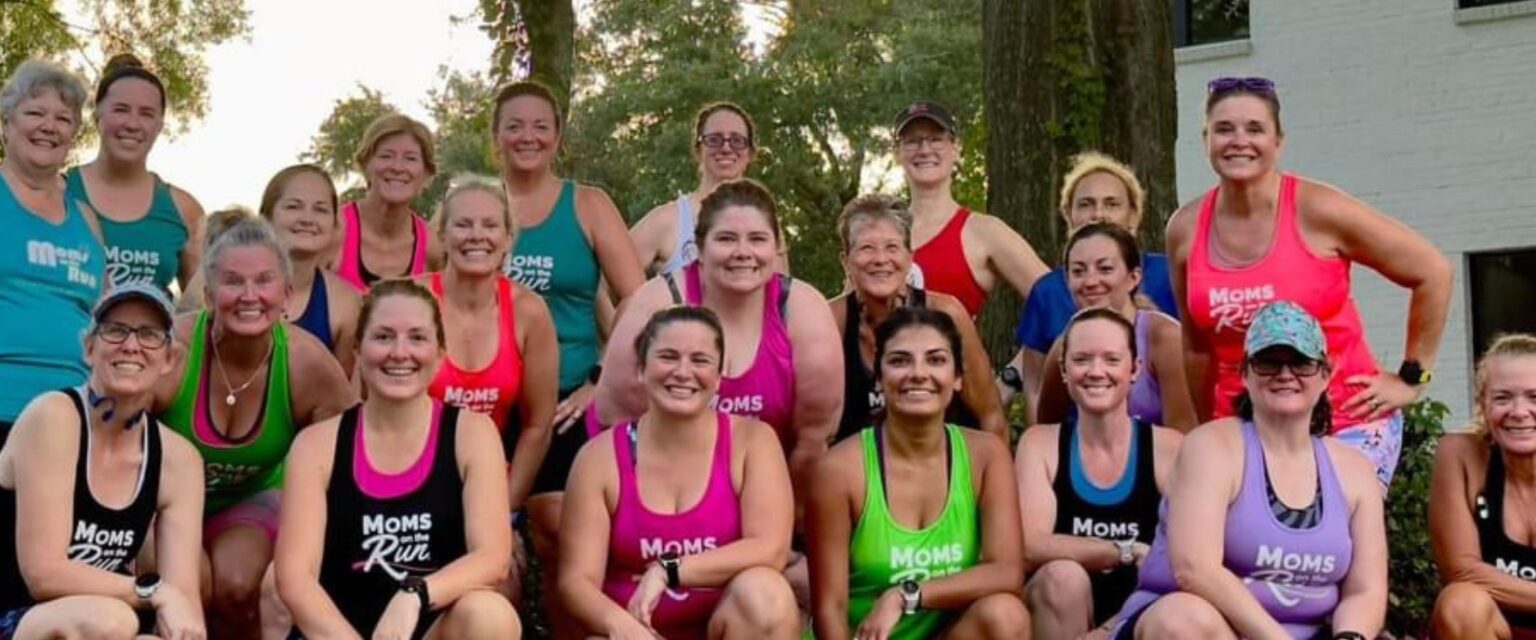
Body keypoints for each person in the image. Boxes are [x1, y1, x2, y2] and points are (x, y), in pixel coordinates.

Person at [1168, 76, 1453, 487]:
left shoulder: (1320, 210)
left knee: (1330, 524)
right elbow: (1196, 346)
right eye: (1224, 129)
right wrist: (1207, 425)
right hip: (1245, 424)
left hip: (1345, 421)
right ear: (1206, 139)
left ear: (1278, 142)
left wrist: (1411, 379)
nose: (1239, 141)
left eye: (1255, 129)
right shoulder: (1185, 229)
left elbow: (1433, 272)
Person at [1111, 301, 1386, 639]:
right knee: (1180, 620)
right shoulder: (1212, 447)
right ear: (1245, 373)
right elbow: (1194, 568)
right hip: (1209, 628)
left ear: (1325, 374)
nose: (1285, 374)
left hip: (1308, 632)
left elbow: (1366, 590)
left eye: (1301, 363)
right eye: (1268, 362)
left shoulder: (1355, 469)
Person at [276, 279, 520, 639]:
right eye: (383, 337)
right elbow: (295, 579)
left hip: (428, 626)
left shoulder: (471, 434)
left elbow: (493, 558)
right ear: (358, 351)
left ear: (440, 354)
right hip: (337, 632)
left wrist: (414, 594)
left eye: (417, 338)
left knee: (489, 615)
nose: (400, 352)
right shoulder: (316, 445)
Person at [153, 213, 357, 640]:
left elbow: (348, 463)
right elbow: (111, 437)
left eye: (264, 281)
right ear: (209, 296)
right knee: (188, 583)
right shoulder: (172, 352)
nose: (250, 296)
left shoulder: (306, 363)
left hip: (252, 496)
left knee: (236, 584)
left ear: (287, 295)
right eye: (233, 281)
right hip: (161, 500)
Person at [494, 80, 647, 637]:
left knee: (558, 530)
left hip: (567, 398)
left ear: (558, 136)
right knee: (489, 546)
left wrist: (600, 380)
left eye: (541, 126)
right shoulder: (477, 206)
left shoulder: (587, 204)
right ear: (496, 136)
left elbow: (638, 297)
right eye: (515, 125)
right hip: (491, 399)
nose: (528, 136)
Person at [559, 306, 798, 639]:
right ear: (641, 369)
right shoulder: (599, 458)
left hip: (724, 627)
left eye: (700, 360)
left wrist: (668, 570)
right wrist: (624, 628)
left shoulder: (752, 441)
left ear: (719, 377)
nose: (683, 372)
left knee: (767, 595)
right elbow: (576, 581)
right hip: (636, 630)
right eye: (668, 357)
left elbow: (770, 549)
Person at [808, 307, 1029, 640]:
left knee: (1005, 614)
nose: (918, 373)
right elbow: (829, 607)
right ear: (879, 378)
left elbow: (1007, 572)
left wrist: (905, 595)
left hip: (947, 634)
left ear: (957, 378)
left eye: (936, 360)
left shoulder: (986, 455)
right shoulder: (839, 470)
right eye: (900, 361)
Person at [0, 285, 206, 639]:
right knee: (112, 620)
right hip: (15, 615)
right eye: (115, 330)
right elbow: (44, 574)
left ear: (169, 359)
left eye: (149, 334)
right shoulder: (53, 417)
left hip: (100, 621)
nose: (131, 345)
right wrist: (154, 591)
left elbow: (183, 601)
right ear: (89, 348)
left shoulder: (179, 460)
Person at [1017, 308, 1183, 638]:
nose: (1096, 371)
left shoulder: (1169, 448)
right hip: (1060, 609)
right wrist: (1124, 551)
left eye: (1111, 359)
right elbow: (1031, 546)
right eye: (1082, 359)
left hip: (1140, 610)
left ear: (1134, 369)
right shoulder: (1041, 445)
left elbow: (1182, 561)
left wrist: (1109, 630)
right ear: (1063, 370)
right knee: (1062, 577)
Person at [420, 176, 558, 542]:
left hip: (487, 480)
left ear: (508, 238)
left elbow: (538, 425)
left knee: (501, 571)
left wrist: (504, 514)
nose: (476, 236)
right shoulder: (410, 301)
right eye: (463, 224)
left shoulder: (529, 311)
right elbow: (367, 411)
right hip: (410, 480)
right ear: (442, 236)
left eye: (490, 225)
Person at [1002, 152, 1178, 410]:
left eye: (1112, 204)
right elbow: (1035, 386)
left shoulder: (1169, 274)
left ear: (1133, 214)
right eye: (1085, 204)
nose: (1098, 213)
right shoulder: (1047, 291)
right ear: (1068, 214)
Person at [829, 193, 1006, 441]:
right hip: (858, 462)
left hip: (946, 458)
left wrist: (994, 465)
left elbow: (991, 415)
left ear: (910, 256)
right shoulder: (829, 321)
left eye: (892, 247)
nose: (881, 259)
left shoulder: (946, 314)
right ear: (846, 261)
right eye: (867, 248)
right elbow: (811, 427)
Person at [0, 59, 106, 434]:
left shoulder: (86, 218)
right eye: (35, 113)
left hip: (74, 413)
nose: (49, 126)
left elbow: (105, 315)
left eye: (63, 119)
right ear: (6, 124)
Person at [1032, 224, 1195, 431]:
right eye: (1078, 271)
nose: (1090, 281)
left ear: (1134, 277)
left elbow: (1183, 434)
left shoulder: (1165, 339)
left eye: (1105, 269)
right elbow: (1047, 430)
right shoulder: (1064, 346)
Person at [65, 53, 204, 293]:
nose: (132, 124)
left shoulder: (184, 210)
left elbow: (202, 305)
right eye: (121, 110)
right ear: (97, 116)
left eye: (146, 113)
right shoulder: (59, 192)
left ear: (159, 125)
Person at [897, 101, 1048, 318]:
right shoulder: (882, 230)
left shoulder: (984, 231)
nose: (924, 150)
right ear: (898, 153)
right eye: (912, 141)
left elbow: (1055, 301)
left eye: (936, 139)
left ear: (956, 149)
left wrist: (1029, 345)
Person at [1429, 334, 1536, 639]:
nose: (1519, 411)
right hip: (1490, 629)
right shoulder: (1460, 455)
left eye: (1534, 397)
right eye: (1503, 398)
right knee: (1461, 603)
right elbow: (1462, 571)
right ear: (1483, 404)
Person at [630, 102, 787, 276]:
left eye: (737, 140)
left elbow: (781, 289)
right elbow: (609, 282)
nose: (726, 148)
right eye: (714, 140)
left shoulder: (766, 223)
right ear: (698, 149)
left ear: (750, 152)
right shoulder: (665, 221)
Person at [258, 164, 362, 373]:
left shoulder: (345, 302)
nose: (307, 219)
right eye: (293, 207)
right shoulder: (219, 281)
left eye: (320, 209)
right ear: (266, 218)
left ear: (334, 224)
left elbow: (342, 389)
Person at [331, 113, 441, 291]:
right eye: (386, 156)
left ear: (427, 173)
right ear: (366, 164)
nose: (397, 167)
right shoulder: (333, 230)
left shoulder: (432, 247)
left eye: (410, 158)